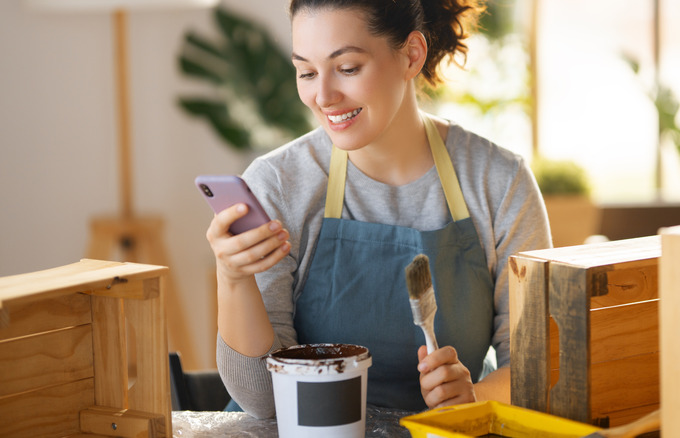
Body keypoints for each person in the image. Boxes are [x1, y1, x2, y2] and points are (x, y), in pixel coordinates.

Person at [206, 0, 552, 419]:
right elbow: (264, 401)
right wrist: (233, 279)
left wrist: (475, 398)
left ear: (411, 55)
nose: (324, 96)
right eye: (307, 72)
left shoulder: (498, 182)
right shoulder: (278, 184)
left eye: (348, 68)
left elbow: (537, 368)